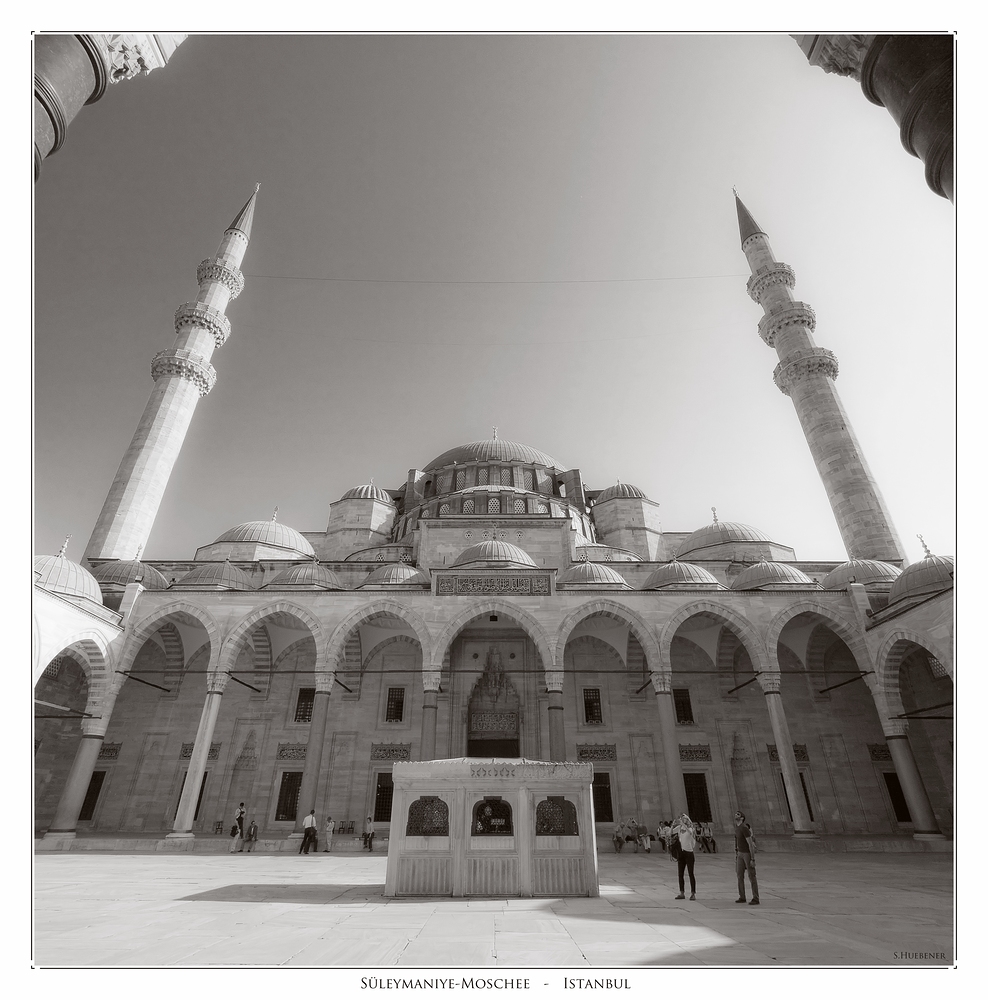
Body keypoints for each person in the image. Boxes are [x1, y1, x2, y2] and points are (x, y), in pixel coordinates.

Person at [734, 810, 759, 904]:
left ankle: (755, 898)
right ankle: (742, 896)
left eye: (738, 814)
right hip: (740, 853)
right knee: (739, 875)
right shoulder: (737, 828)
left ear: (742, 818)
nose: (736, 815)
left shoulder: (744, 828)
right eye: (736, 814)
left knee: (751, 875)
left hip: (747, 853)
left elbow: (750, 844)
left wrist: (752, 859)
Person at [672, 812, 697, 899]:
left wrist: (683, 824)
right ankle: (682, 892)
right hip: (682, 853)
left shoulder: (691, 828)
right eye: (682, 819)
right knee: (680, 874)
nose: (683, 820)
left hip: (689, 853)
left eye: (684, 819)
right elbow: (670, 833)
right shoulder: (680, 828)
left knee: (691, 873)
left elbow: (690, 833)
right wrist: (673, 825)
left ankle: (693, 893)